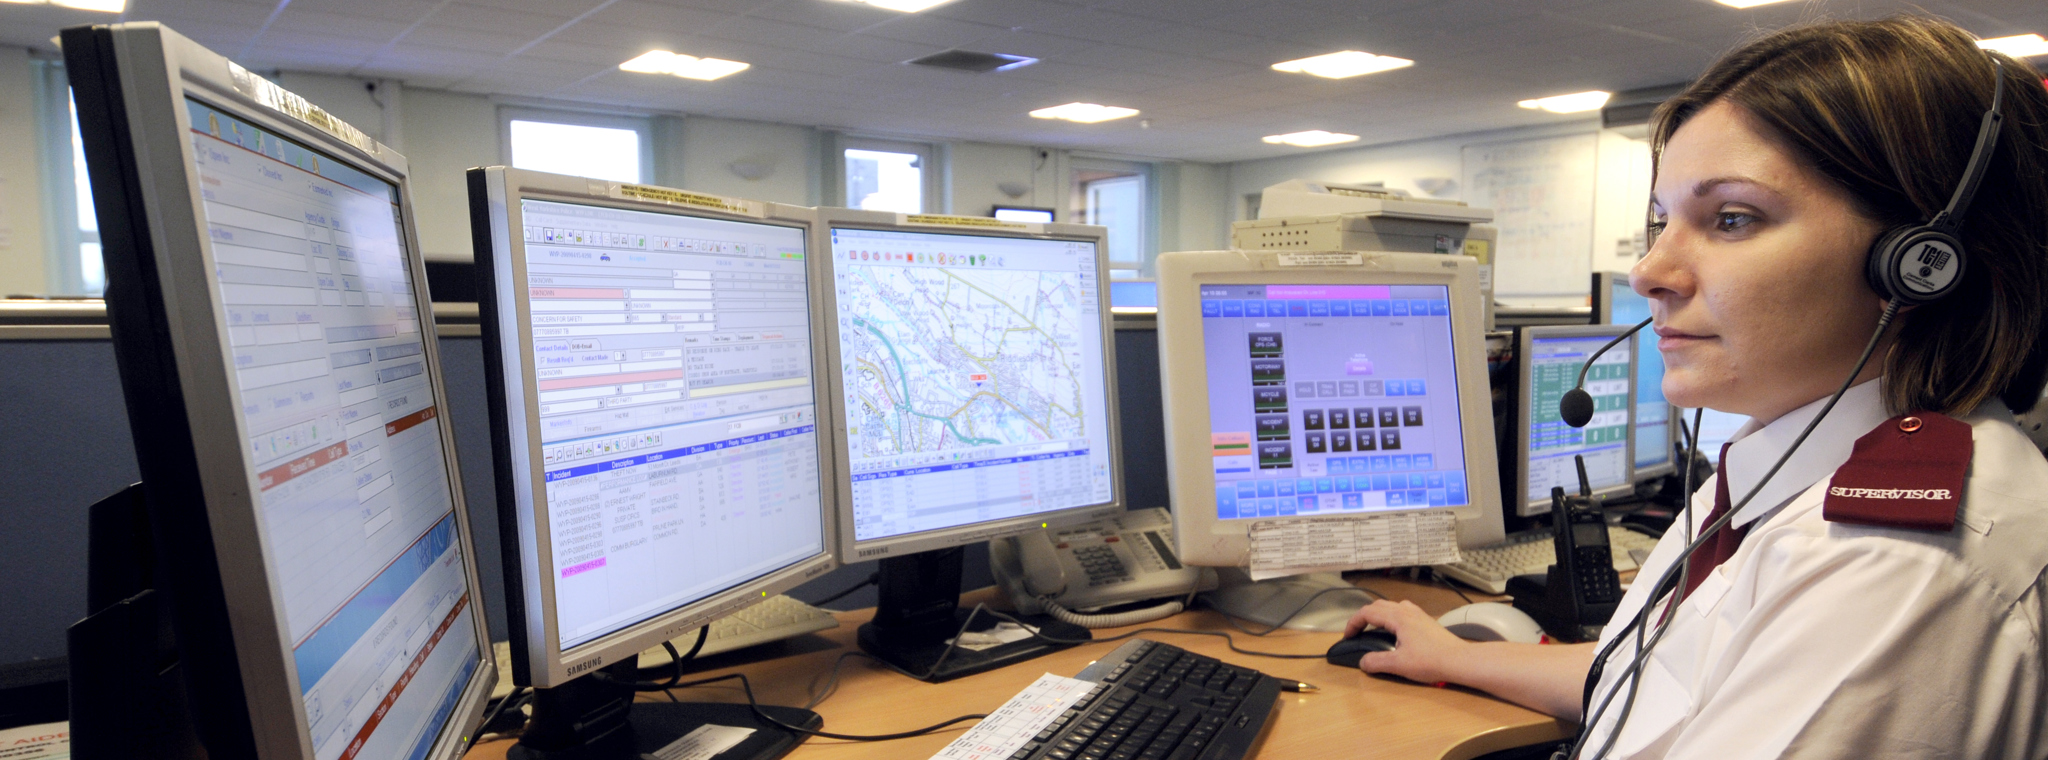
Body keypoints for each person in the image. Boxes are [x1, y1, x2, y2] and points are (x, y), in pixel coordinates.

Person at [1345, 16, 2048, 759]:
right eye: (1660, 221)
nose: (1646, 271)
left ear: (1920, 263)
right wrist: (1457, 656)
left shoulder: (1894, 569)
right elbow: (1674, 678)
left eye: (1732, 218)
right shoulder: (1792, 466)